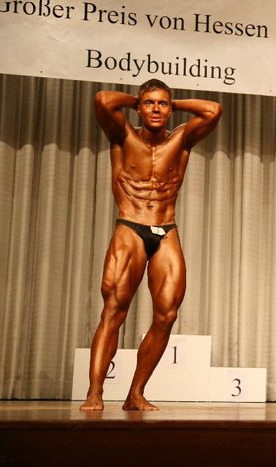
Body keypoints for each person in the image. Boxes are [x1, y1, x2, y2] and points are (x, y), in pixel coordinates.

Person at [80, 79, 222, 411]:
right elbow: (102, 99)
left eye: (162, 104)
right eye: (149, 103)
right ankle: (95, 392)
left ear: (170, 109)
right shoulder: (122, 135)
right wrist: (137, 99)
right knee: (114, 310)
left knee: (167, 314)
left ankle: (135, 393)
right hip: (130, 225)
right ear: (138, 108)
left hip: (165, 229)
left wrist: (173, 102)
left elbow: (213, 110)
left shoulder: (182, 139)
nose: (156, 109)